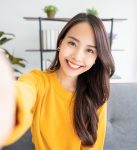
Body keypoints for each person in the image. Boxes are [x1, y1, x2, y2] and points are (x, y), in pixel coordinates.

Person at [1, 13, 115, 150]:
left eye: (90, 50)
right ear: (61, 42)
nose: (77, 57)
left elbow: (93, 147)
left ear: (97, 57)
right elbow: (22, 92)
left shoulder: (97, 95)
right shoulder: (38, 81)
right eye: (72, 43)